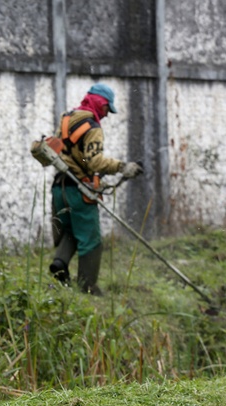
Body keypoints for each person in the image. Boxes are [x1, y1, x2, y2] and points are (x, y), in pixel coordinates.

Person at [49, 83, 143, 295]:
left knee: (72, 231)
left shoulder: (66, 118)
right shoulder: (92, 127)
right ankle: (88, 287)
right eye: (107, 108)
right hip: (79, 192)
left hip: (59, 188)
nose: (107, 114)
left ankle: (59, 264)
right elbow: (94, 161)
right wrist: (122, 167)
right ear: (99, 103)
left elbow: (56, 149)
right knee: (91, 240)